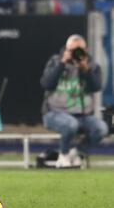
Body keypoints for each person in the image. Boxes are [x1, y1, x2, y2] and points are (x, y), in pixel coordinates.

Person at [40, 34, 109, 168]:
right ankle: (63, 155)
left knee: (101, 129)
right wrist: (62, 63)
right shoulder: (56, 61)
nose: (75, 54)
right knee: (70, 124)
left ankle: (76, 153)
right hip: (54, 113)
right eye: (72, 50)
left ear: (86, 50)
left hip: (83, 116)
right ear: (66, 49)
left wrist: (85, 69)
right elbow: (46, 84)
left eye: (79, 50)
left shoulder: (92, 65)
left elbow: (96, 86)